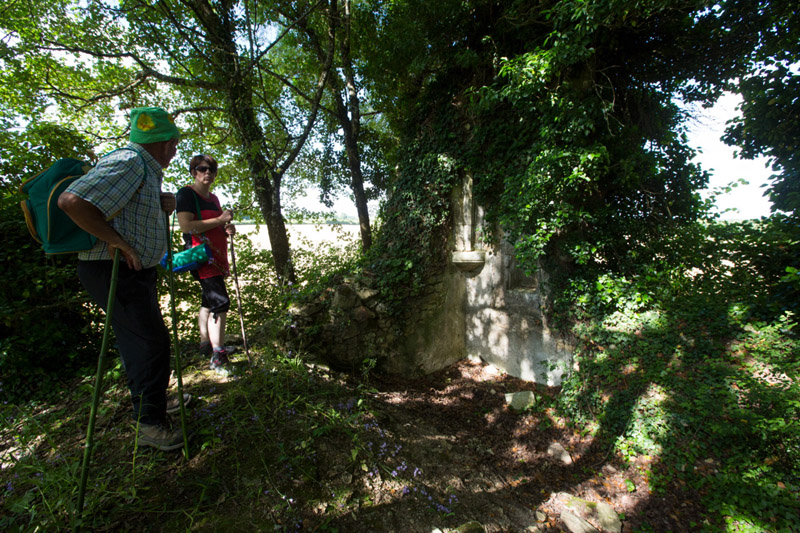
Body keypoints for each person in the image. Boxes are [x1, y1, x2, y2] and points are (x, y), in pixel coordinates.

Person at [58, 107, 189, 451]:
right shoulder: (130, 161)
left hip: (131, 272)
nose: (175, 151)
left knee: (140, 341)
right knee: (151, 342)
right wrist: (117, 242)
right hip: (112, 269)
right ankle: (150, 425)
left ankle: (154, 402)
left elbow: (125, 209)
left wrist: (161, 204)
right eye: (174, 143)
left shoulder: (144, 168)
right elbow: (71, 201)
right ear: (164, 143)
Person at [175, 154, 237, 375]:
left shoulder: (214, 199)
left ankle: (206, 344)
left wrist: (227, 229)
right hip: (202, 257)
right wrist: (220, 221)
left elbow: (217, 226)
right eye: (202, 169)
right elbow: (186, 227)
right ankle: (218, 356)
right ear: (193, 172)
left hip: (217, 255)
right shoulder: (185, 194)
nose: (207, 173)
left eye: (212, 169)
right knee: (220, 301)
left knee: (208, 300)